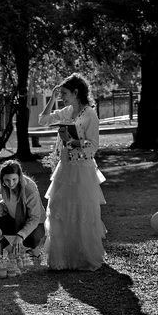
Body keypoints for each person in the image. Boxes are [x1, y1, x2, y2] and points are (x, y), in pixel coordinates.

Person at [38, 73, 106, 271]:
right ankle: (64, 257)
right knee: (60, 209)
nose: (63, 97)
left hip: (82, 170)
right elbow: (43, 120)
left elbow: (93, 147)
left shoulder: (90, 114)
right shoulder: (67, 111)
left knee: (81, 210)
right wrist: (50, 99)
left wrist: (72, 140)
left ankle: (83, 257)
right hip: (65, 167)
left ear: (76, 92)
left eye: (65, 94)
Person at [0, 159, 46, 256]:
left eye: (14, 179)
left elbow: (34, 218)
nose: (11, 183)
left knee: (31, 239)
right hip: (14, 220)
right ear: (2, 179)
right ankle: (10, 249)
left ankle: (33, 249)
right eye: (7, 180)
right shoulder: (3, 186)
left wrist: (21, 235)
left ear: (19, 177)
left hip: (35, 223)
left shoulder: (30, 189)